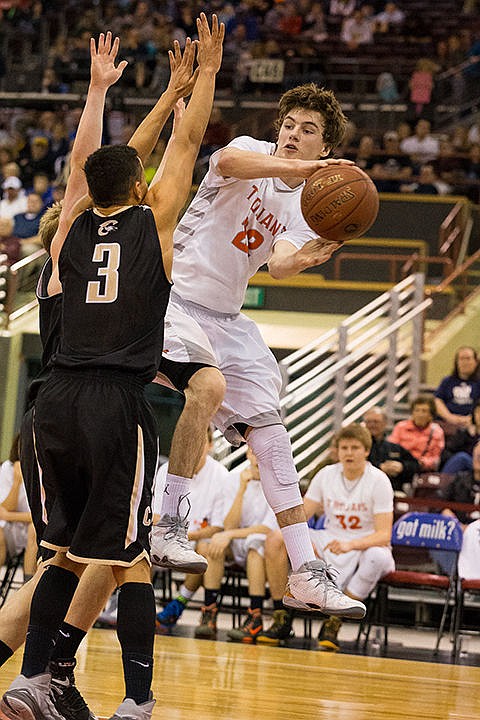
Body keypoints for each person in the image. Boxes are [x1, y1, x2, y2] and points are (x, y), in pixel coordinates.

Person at [1, 17, 224, 720]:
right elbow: (187, 143)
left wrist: (106, 91)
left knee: (61, 556)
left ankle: (41, 681)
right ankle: (129, 697)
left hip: (51, 404)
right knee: (128, 558)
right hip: (110, 402)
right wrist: (201, 77)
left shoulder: (65, 227)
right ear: (138, 185)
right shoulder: (151, 223)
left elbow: (84, 164)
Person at [159, 80, 367, 620]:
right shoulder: (252, 151)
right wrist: (294, 170)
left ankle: (305, 571)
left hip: (227, 320)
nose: (294, 135)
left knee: (273, 437)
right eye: (291, 125)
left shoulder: (303, 205)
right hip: (172, 297)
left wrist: (307, 260)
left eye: (309, 131)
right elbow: (224, 161)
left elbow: (278, 262)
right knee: (208, 386)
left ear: (326, 147)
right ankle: (169, 524)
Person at [256, 424, 394, 650]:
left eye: (355, 448)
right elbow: (301, 516)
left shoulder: (379, 480)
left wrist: (351, 544)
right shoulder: (325, 475)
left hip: (365, 543)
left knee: (377, 557)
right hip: (331, 538)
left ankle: (335, 621)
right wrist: (301, 543)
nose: (349, 453)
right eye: (344, 447)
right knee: (275, 539)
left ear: (366, 451)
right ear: (337, 451)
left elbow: (384, 535)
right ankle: (282, 616)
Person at [194, 448, 277, 643]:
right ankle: (209, 612)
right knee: (211, 545)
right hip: (235, 543)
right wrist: (241, 489)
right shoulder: (232, 480)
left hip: (261, 546)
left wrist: (229, 534)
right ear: (248, 455)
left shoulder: (276, 483)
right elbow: (229, 524)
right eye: (254, 453)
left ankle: (255, 616)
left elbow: (266, 529)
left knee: (254, 547)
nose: (258, 458)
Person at [153, 425, 228, 633]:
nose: (194, 447)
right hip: (166, 536)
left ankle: (193, 608)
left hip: (199, 540)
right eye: (190, 440)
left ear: (211, 445)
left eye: (200, 442)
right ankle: (134, 605)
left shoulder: (222, 475)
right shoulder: (166, 469)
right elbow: (156, 516)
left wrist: (185, 535)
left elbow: (218, 527)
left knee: (205, 548)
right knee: (140, 544)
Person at [0, 434, 36, 580]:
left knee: (34, 528)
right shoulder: (8, 467)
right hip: (12, 530)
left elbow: (41, 516)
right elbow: (4, 507)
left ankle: (27, 583)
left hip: (35, 531)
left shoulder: (45, 470)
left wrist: (9, 516)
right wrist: (16, 482)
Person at [363, 406, 420, 491]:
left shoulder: (394, 447)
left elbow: (415, 465)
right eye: (369, 422)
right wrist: (380, 467)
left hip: (394, 491)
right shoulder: (359, 447)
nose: (372, 425)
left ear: (385, 423)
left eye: (376, 422)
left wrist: (401, 467)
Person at [388, 394, 445, 472]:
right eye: (417, 410)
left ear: (430, 416)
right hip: (401, 464)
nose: (419, 414)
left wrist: (422, 462)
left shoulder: (437, 431)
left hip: (421, 467)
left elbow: (436, 458)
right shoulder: (401, 427)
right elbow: (391, 448)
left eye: (424, 411)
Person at [434, 346, 480, 432]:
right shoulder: (447, 381)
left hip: (473, 426)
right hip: (447, 424)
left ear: (475, 362)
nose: (465, 362)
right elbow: (437, 400)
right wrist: (450, 417)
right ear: (456, 362)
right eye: (461, 359)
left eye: (468, 359)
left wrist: (472, 419)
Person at [442, 398, 480, 473]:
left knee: (462, 458)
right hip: (467, 469)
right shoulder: (464, 433)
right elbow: (447, 452)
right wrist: (469, 437)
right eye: (478, 412)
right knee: (460, 458)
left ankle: (443, 482)